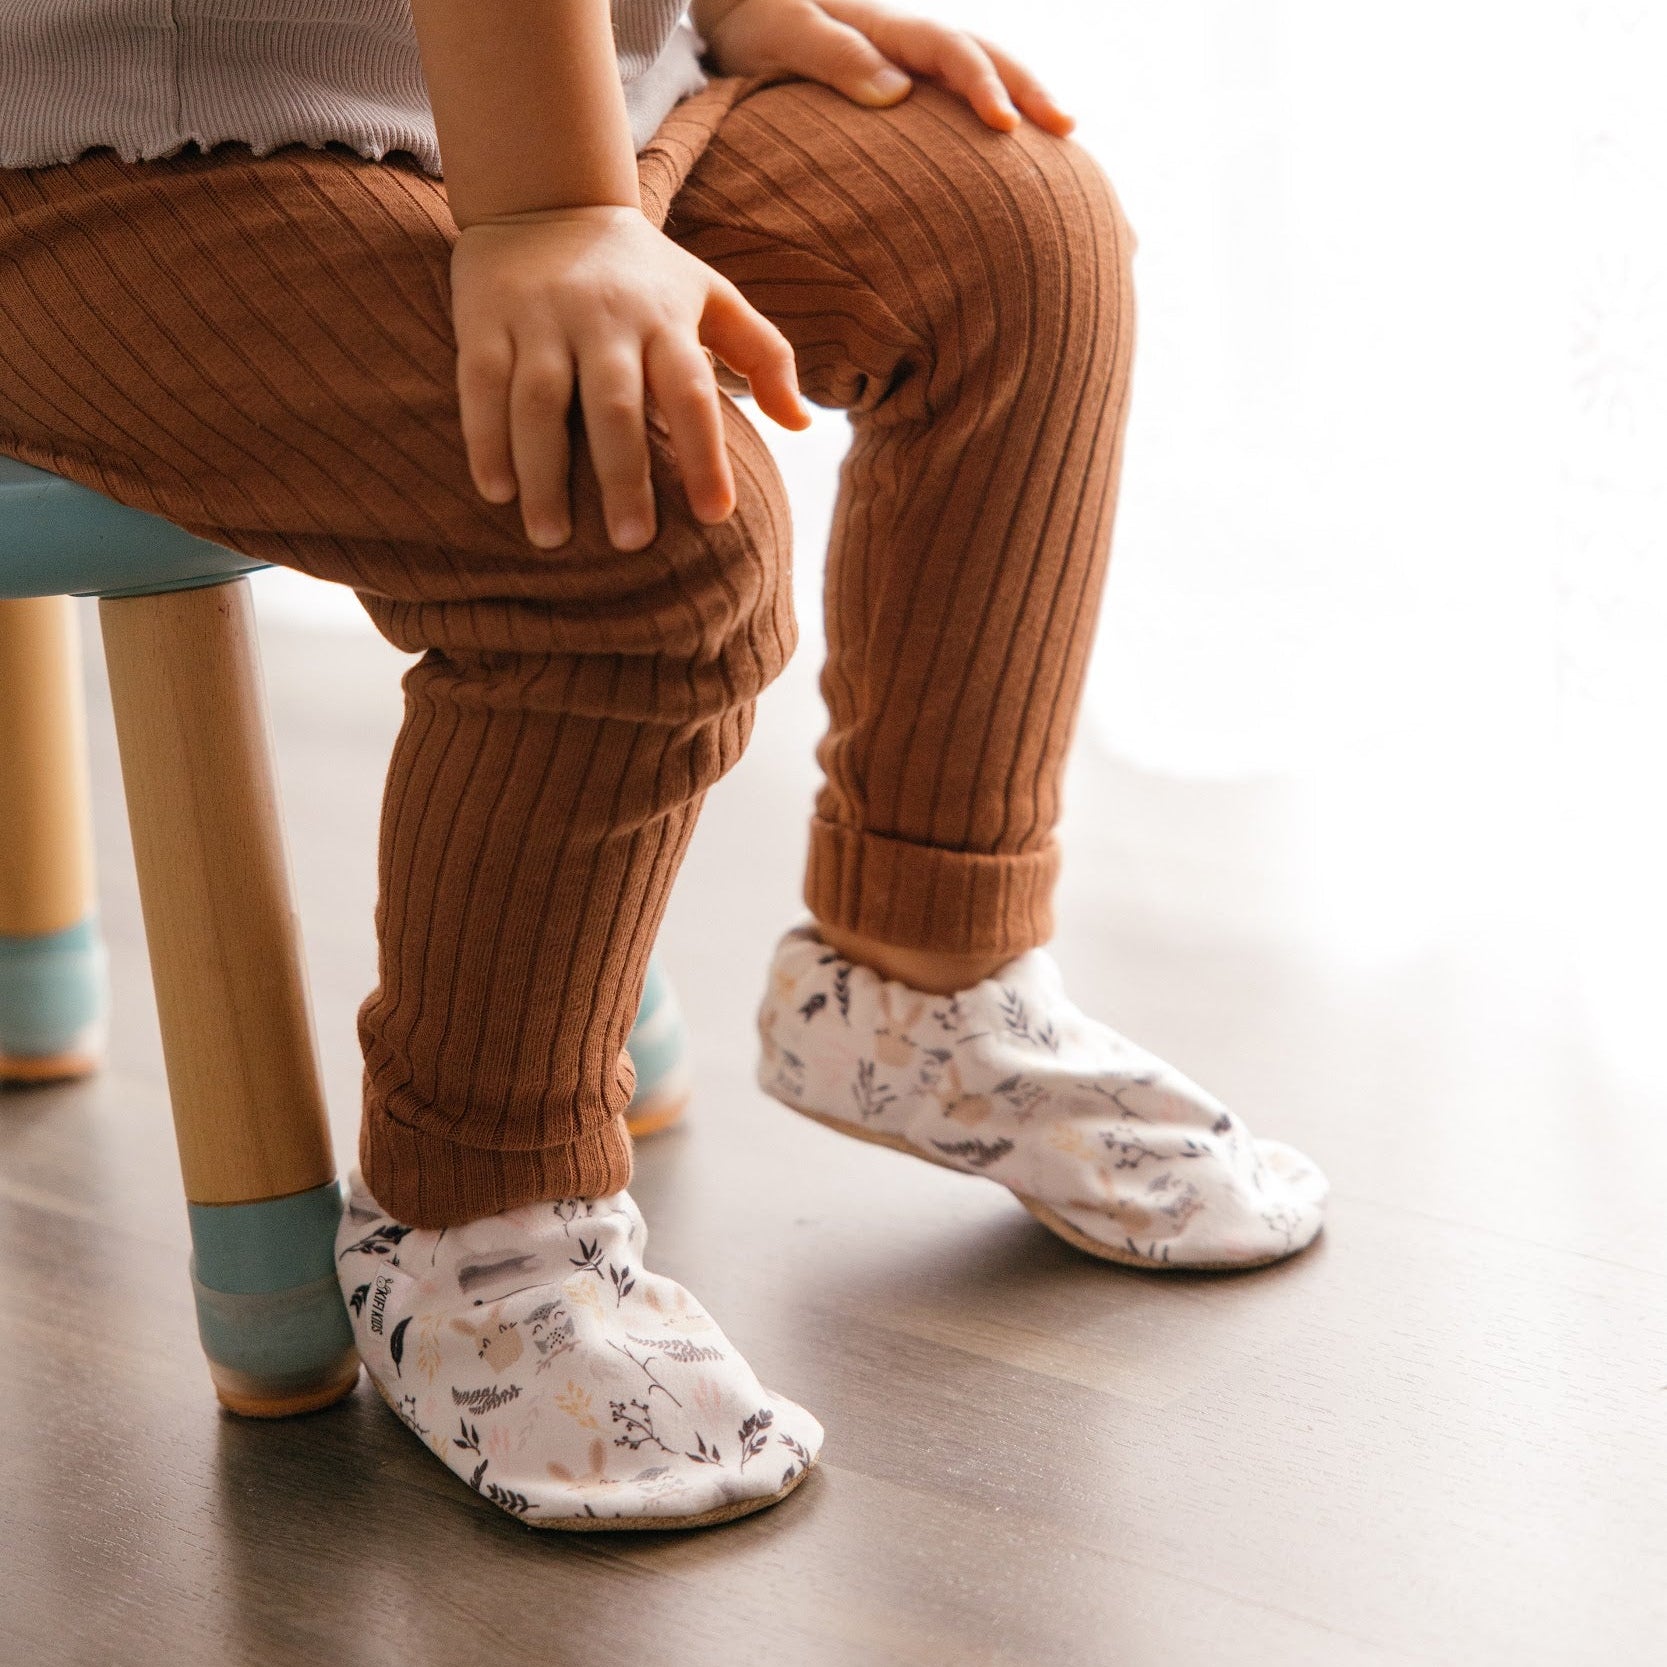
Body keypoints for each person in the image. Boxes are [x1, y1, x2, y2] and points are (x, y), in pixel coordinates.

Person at [0, 0, 1328, 1532]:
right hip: (121, 134)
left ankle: (921, 975)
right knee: (624, 512)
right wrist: (552, 211)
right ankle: (475, 1219)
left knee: (1015, 230)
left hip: (526, 87)